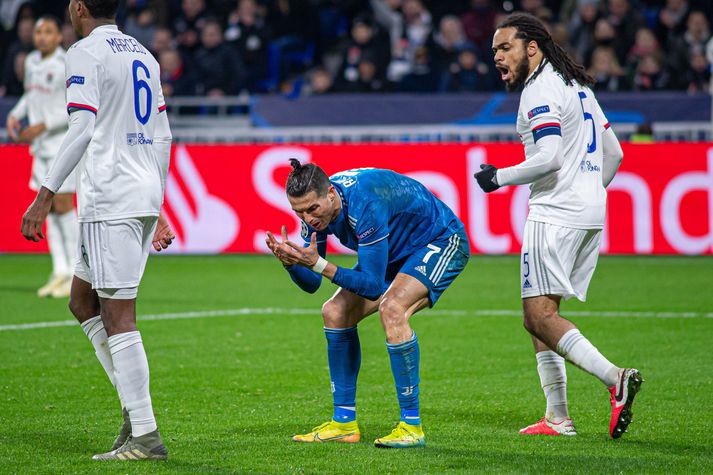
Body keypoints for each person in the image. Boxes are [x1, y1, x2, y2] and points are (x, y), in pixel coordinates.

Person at [474, 12, 642, 439]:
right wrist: (587, 190)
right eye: (493, 49)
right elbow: (615, 154)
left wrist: (499, 178)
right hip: (588, 212)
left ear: (533, 47)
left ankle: (614, 378)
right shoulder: (577, 86)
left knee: (537, 316)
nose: (496, 56)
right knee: (543, 313)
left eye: (504, 47)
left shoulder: (541, 90)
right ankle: (557, 416)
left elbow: (548, 157)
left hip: (555, 213)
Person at [20, 0, 174, 461]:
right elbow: (163, 135)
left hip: (112, 196)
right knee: (81, 301)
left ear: (78, 8)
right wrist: (159, 202)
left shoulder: (85, 51)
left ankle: (145, 435)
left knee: (119, 315)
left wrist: (45, 193)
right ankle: (133, 405)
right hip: (138, 190)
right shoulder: (144, 54)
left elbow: (82, 126)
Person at [266, 161, 469, 448]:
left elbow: (373, 287)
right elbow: (312, 284)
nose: (308, 218)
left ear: (331, 195)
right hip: (396, 250)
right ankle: (344, 423)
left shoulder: (365, 203)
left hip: (438, 240)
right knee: (334, 311)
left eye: (312, 209)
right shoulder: (316, 208)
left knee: (392, 309)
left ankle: (412, 427)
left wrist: (319, 264)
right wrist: (291, 263)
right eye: (299, 211)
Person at [6, 15, 78, 298]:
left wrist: (43, 124)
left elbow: (72, 107)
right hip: (41, 148)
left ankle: (75, 272)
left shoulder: (65, 65)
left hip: (62, 146)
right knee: (45, 208)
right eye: (39, 32)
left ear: (59, 37)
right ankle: (59, 269)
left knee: (62, 204)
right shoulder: (33, 62)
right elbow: (30, 97)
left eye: (48, 32)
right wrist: (16, 115)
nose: (42, 37)